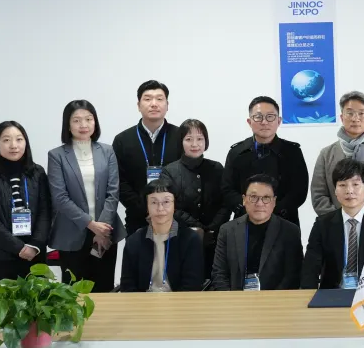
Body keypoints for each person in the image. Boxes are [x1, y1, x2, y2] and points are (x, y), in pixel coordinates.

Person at [47, 100, 126, 292]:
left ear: (95, 122)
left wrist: (102, 228)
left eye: (88, 119)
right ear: (68, 124)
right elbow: (60, 197)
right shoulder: (57, 155)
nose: (83, 125)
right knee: (73, 294)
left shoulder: (107, 151)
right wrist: (91, 224)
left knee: (104, 288)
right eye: (77, 120)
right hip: (71, 234)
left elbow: (113, 191)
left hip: (105, 232)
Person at [0, 121, 51, 290]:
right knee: (2, 305)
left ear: (25, 143)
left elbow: (46, 212)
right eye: (6, 140)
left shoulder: (38, 173)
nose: (13, 145)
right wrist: (18, 248)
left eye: (19, 139)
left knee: (37, 304)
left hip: (35, 255)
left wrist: (35, 245)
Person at [301, 159, 364, 289]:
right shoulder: (323, 225)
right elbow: (310, 268)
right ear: (335, 191)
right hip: (333, 294)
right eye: (342, 185)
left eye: (355, 184)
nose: (349, 191)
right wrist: (308, 296)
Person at [158, 119, 230, 281]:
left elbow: (226, 202)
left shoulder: (217, 168)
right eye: (189, 139)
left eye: (200, 139)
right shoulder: (169, 171)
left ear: (206, 141)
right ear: (181, 142)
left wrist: (212, 229)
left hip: (216, 240)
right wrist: (197, 228)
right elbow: (169, 206)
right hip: (181, 238)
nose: (195, 144)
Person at [222, 96, 308, 228]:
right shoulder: (237, 152)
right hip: (244, 222)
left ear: (279, 121)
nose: (264, 122)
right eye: (258, 117)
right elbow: (227, 189)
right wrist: (250, 209)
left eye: (270, 117)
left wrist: (272, 210)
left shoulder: (292, 152)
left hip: (284, 222)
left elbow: (299, 190)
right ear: (249, 121)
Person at [111, 80, 182, 232]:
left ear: (167, 105)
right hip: (137, 219)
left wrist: (169, 209)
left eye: (159, 99)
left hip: (175, 219)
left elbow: (186, 177)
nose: (154, 104)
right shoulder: (123, 140)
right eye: (148, 99)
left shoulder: (181, 137)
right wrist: (145, 209)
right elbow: (119, 181)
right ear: (138, 105)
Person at [212, 174, 303, 291]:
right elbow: (219, 273)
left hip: (276, 299)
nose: (259, 203)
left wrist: (271, 299)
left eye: (266, 198)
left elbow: (292, 275)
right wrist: (232, 299)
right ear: (244, 199)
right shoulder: (227, 230)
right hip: (235, 298)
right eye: (253, 197)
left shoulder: (290, 232)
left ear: (274, 201)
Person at [120, 179, 204, 292]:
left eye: (166, 202)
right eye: (154, 202)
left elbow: (192, 285)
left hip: (179, 300)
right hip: (143, 300)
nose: (160, 208)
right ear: (147, 207)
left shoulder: (190, 239)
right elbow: (127, 285)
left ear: (174, 205)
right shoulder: (134, 241)